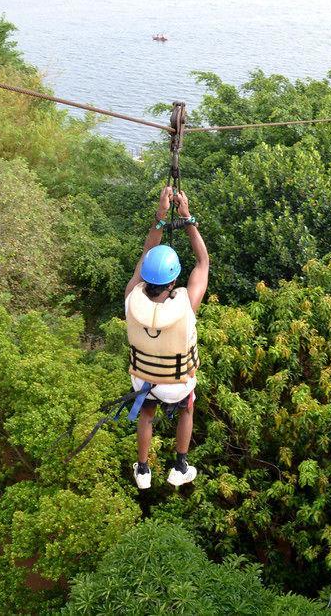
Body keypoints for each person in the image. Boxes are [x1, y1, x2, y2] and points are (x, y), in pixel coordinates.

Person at [124, 184, 208, 489]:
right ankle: (180, 465)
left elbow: (146, 254)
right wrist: (187, 218)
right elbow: (203, 263)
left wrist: (161, 216)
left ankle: (143, 469)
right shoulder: (186, 305)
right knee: (188, 404)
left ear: (146, 275)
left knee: (146, 411)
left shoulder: (131, 297)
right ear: (173, 280)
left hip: (143, 379)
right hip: (176, 386)